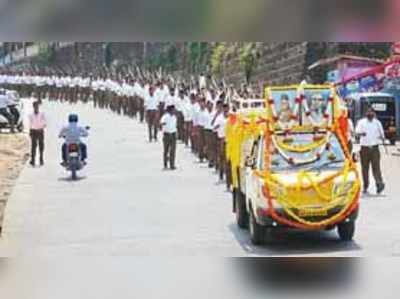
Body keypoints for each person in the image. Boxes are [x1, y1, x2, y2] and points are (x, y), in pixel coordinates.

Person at [355, 107, 385, 195]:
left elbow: (382, 135)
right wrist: (361, 133)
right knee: (365, 169)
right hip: (364, 148)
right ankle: (365, 186)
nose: (370, 114)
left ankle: (379, 184)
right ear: (366, 113)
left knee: (376, 168)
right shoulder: (361, 122)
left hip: (375, 148)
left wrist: (382, 138)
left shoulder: (377, 123)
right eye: (368, 112)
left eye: (371, 112)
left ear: (374, 114)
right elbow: (356, 133)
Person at [28, 101, 47, 166]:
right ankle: (33, 160)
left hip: (40, 131)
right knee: (33, 146)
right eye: (35, 106)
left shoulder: (42, 114)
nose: (36, 107)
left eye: (37, 106)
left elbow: (45, 122)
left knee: (41, 145)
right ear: (33, 107)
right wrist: (30, 131)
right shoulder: (30, 115)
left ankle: (41, 158)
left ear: (38, 107)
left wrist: (42, 126)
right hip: (33, 131)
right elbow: (30, 124)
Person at [160, 105, 178, 170]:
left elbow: (175, 126)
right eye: (173, 110)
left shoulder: (174, 117)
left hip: (173, 134)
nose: (174, 111)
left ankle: (172, 164)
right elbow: (161, 123)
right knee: (166, 150)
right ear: (170, 110)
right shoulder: (165, 116)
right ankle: (165, 164)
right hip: (167, 134)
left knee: (173, 150)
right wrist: (164, 125)